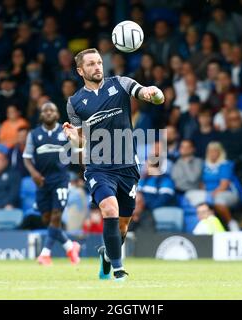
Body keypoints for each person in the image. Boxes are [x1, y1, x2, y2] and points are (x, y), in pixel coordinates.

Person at [62, 48, 164, 281]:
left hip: (127, 165)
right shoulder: (75, 102)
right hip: (98, 167)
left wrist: (153, 93)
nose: (97, 66)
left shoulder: (120, 83)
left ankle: (107, 256)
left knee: (123, 225)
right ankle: (118, 270)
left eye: (99, 62)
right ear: (80, 70)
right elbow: (80, 141)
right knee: (109, 208)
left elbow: (148, 94)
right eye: (90, 64)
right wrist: (73, 138)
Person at [23, 102, 81, 266]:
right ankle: (71, 247)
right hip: (42, 181)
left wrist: (83, 172)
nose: (48, 113)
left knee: (56, 215)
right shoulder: (34, 134)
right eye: (45, 110)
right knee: (47, 219)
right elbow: (26, 157)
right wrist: (34, 173)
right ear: (41, 115)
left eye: (52, 110)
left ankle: (45, 254)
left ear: (57, 114)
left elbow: (77, 154)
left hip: (61, 180)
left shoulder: (65, 132)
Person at [185, 142, 240, 231]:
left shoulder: (225, 164)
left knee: (218, 200)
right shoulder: (205, 164)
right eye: (210, 151)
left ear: (220, 152)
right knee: (190, 194)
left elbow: (224, 185)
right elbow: (202, 183)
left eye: (215, 151)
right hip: (208, 193)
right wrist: (204, 194)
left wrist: (209, 196)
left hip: (225, 193)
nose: (212, 153)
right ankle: (196, 225)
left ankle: (231, 223)